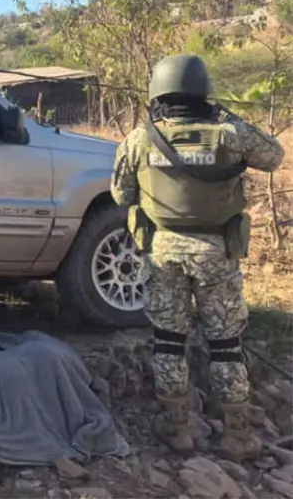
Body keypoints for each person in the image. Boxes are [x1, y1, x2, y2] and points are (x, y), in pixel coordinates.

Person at [110, 53, 285, 461]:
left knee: (169, 342)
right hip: (216, 253)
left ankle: (179, 430)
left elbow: (121, 195)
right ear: (205, 92)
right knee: (226, 345)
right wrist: (228, 116)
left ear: (158, 92)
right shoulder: (229, 135)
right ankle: (237, 436)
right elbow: (273, 156)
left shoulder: (140, 139)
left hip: (164, 252)